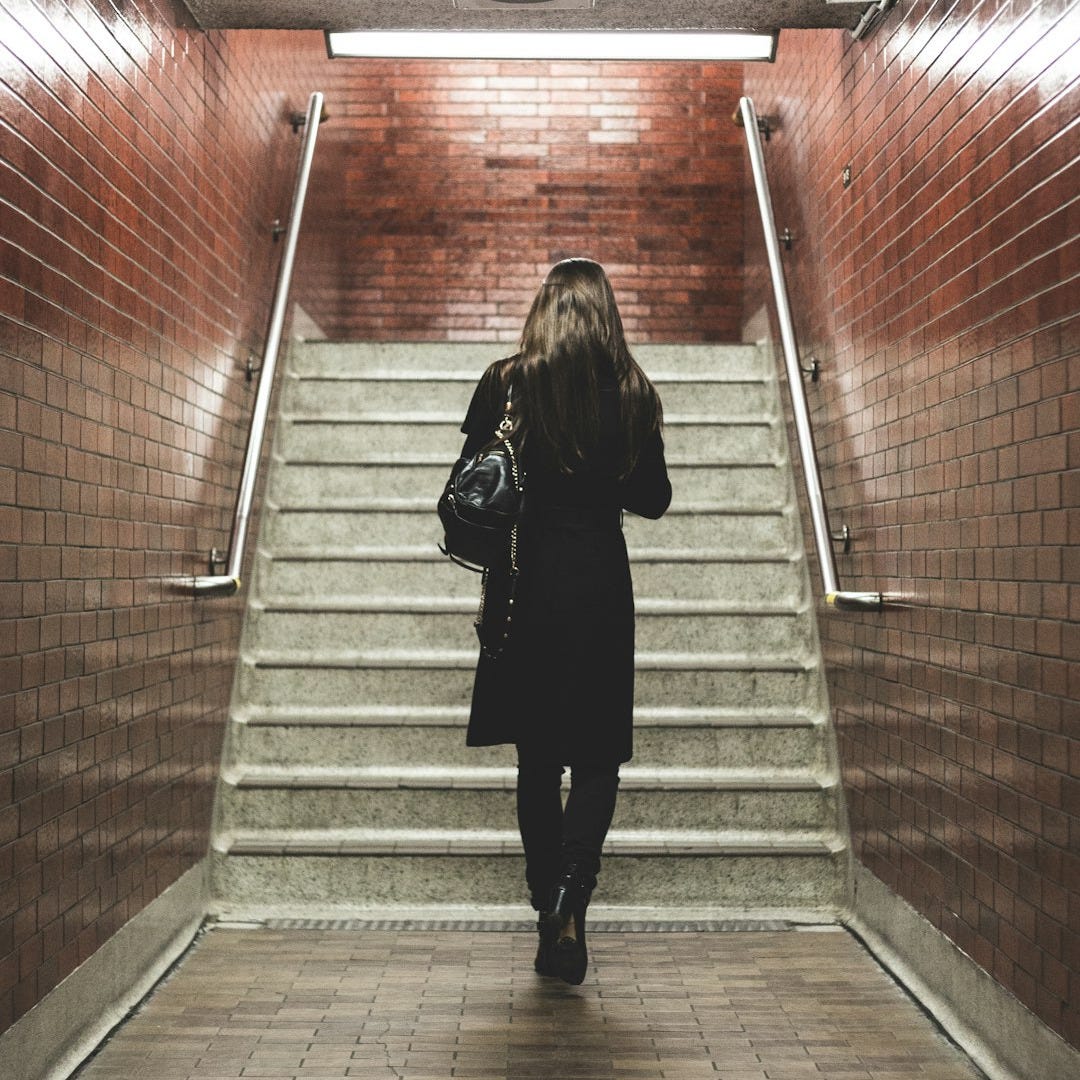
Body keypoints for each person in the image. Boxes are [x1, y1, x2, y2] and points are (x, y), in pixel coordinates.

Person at [455, 258, 671, 985]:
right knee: (598, 757)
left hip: (527, 586)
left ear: (543, 310)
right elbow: (654, 498)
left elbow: (473, 480)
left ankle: (546, 901)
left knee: (539, 759)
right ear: (607, 313)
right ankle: (571, 900)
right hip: (600, 585)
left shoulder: (507, 382)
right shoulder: (633, 391)